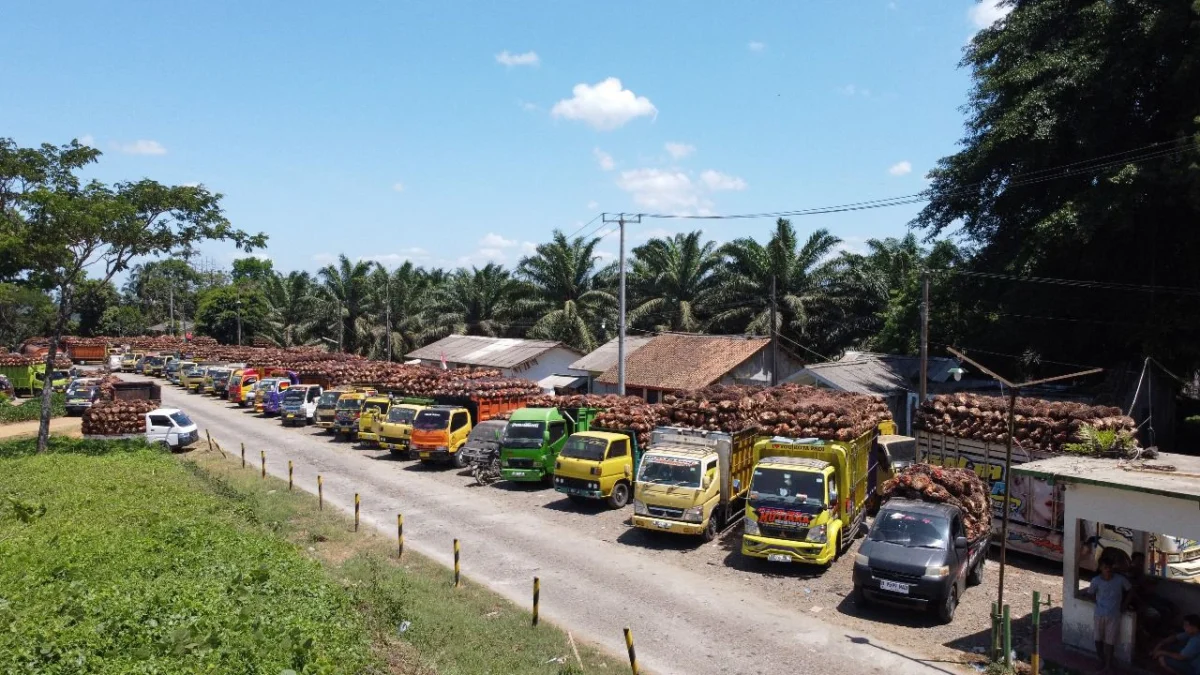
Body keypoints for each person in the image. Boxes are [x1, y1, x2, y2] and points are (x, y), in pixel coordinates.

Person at [1085, 560, 1132, 672]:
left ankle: (1108, 665)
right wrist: (1098, 602)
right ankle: (1101, 660)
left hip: (1114, 615)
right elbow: (1090, 593)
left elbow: (1131, 590)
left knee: (1110, 642)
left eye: (1110, 567)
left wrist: (1124, 605)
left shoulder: (1120, 580)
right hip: (1099, 614)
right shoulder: (1096, 581)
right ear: (1101, 568)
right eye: (1106, 567)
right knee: (1098, 639)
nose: (1108, 569)